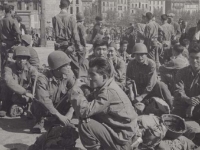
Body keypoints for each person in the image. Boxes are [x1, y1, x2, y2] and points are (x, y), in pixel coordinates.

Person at [69, 57, 138, 150]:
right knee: (89, 118)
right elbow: (90, 101)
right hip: (121, 134)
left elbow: (84, 111)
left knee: (85, 124)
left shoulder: (108, 91)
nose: (89, 77)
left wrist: (76, 90)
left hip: (123, 142)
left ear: (104, 77)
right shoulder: (106, 85)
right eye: (88, 73)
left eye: (92, 74)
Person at [31, 51, 75, 133]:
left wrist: (70, 111)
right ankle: (39, 121)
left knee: (71, 94)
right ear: (57, 68)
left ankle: (58, 120)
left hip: (57, 105)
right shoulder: (42, 78)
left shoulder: (68, 75)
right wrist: (59, 115)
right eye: (66, 65)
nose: (69, 67)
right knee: (39, 101)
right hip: (45, 108)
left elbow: (76, 93)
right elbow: (44, 100)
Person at [127, 43, 173, 109]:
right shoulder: (131, 64)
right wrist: (131, 91)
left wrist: (142, 96)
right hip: (138, 88)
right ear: (134, 55)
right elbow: (129, 79)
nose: (140, 57)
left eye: (142, 55)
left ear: (146, 54)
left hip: (150, 90)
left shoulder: (151, 64)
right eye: (137, 55)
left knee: (161, 85)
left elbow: (151, 83)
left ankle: (171, 106)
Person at [52, 0, 87, 80]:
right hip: (68, 45)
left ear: (59, 6)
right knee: (75, 66)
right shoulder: (71, 18)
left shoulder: (54, 18)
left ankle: (60, 81)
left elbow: (54, 32)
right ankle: (76, 82)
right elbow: (75, 34)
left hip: (58, 46)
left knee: (59, 65)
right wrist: (79, 46)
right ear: (68, 7)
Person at [0, 46, 37, 117]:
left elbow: (36, 83)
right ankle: (5, 106)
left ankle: (23, 107)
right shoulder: (8, 68)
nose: (21, 60)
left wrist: (32, 94)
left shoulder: (32, 70)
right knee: (4, 84)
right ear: (15, 58)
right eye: (19, 58)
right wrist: (24, 92)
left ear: (27, 59)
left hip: (23, 95)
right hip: (13, 92)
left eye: (24, 58)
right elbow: (9, 81)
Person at [0, 5, 21, 77]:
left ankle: (3, 77)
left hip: (3, 44)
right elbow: (18, 32)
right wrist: (18, 41)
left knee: (3, 62)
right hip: (12, 44)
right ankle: (10, 77)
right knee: (11, 61)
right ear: (10, 11)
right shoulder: (13, 20)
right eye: (14, 11)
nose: (14, 12)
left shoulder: (1, 21)